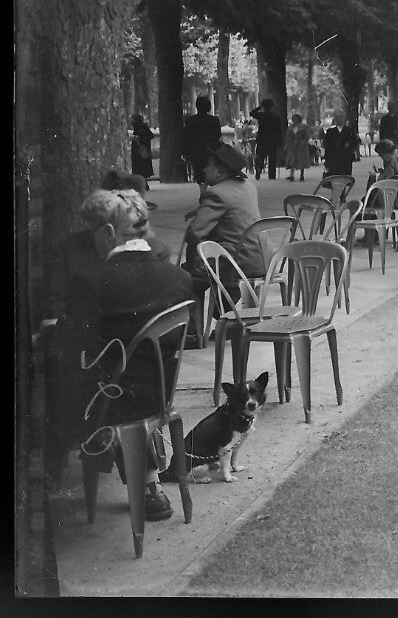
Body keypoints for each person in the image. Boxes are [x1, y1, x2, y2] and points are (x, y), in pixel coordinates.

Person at [48, 188, 193, 520]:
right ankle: (146, 481)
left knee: (59, 378)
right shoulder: (180, 277)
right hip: (161, 393)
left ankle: (60, 468)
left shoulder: (92, 281)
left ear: (110, 232)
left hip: (109, 398)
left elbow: (69, 342)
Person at [182, 144, 266, 312]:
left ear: (219, 172)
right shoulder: (247, 186)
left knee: (184, 278)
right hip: (260, 257)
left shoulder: (216, 193)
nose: (204, 169)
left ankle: (197, 326)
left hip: (239, 262)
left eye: (208, 166)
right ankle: (224, 311)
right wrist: (201, 210)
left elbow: (195, 233)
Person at [181, 96, 223, 186]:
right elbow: (218, 135)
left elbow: (186, 137)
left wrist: (185, 152)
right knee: (212, 170)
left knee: (199, 173)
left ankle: (203, 191)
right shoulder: (214, 120)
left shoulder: (190, 120)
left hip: (196, 151)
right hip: (211, 150)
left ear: (197, 106)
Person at [249, 97, 284, 181]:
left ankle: (259, 169)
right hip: (272, 139)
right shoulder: (276, 117)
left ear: (264, 106)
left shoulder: (261, 115)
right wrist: (279, 140)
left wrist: (259, 107)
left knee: (260, 156)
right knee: (272, 158)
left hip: (262, 139)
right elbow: (279, 130)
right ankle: (272, 175)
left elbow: (252, 113)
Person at [321, 110, 361, 178]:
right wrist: (326, 159)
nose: (339, 119)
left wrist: (349, 147)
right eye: (337, 117)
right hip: (333, 160)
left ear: (344, 118)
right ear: (334, 119)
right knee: (334, 178)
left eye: (341, 117)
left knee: (345, 178)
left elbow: (356, 142)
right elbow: (326, 145)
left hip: (346, 159)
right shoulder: (330, 132)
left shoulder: (349, 131)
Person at [283, 113, 312, 181]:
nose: (295, 120)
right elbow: (288, 137)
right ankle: (291, 175)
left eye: (297, 119)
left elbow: (307, 136)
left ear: (299, 119)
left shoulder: (304, 127)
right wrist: (286, 145)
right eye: (294, 119)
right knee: (292, 161)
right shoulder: (290, 127)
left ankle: (302, 175)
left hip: (301, 147)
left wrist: (303, 142)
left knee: (301, 161)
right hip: (292, 146)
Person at [127, 113, 156, 180]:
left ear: (135, 119)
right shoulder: (136, 126)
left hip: (142, 150)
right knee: (138, 167)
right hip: (138, 149)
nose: (130, 120)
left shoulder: (142, 126)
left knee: (142, 167)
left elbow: (150, 136)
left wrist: (140, 138)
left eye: (132, 119)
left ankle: (143, 181)